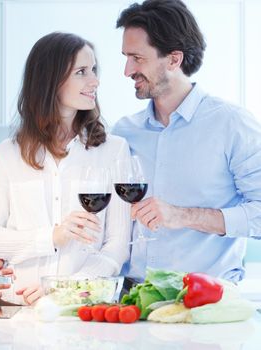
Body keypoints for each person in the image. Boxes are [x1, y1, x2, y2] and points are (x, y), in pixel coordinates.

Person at [0, 32, 131, 305]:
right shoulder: (8, 153)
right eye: (82, 72)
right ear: (51, 80)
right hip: (17, 310)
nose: (95, 81)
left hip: (83, 312)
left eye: (93, 70)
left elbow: (116, 249)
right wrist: (51, 236)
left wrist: (62, 289)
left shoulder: (114, 150)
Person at [112, 0, 261, 289]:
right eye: (125, 57)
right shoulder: (124, 132)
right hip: (132, 300)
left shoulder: (232, 125)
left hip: (206, 301)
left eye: (137, 58)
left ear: (173, 59)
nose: (127, 70)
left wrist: (181, 216)